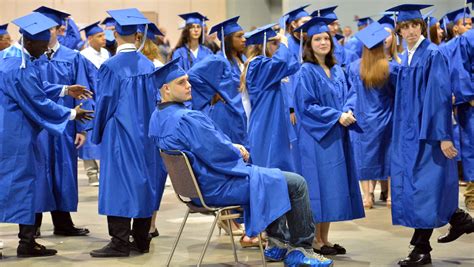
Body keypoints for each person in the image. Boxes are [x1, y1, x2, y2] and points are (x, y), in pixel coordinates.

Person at [148, 57, 333, 267]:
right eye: (181, 82)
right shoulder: (187, 118)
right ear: (166, 89)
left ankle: (278, 243)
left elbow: (208, 146)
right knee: (296, 183)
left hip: (195, 190)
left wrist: (230, 147)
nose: (189, 85)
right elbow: (217, 152)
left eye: (188, 80)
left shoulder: (158, 116)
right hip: (216, 187)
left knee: (270, 177)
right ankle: (301, 250)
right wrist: (236, 150)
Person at [385, 4, 474, 266]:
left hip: (429, 133)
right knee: (420, 186)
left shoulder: (432, 54)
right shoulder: (408, 56)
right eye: (405, 26)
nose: (410, 30)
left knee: (424, 187)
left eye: (415, 25)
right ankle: (459, 218)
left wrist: (443, 136)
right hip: (410, 133)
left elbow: (439, 98)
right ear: (399, 30)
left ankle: (421, 249)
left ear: (422, 26)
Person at [0, 12, 93, 257]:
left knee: (22, 185)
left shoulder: (13, 57)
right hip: (15, 135)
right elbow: (37, 99)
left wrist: (64, 89)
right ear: (29, 42)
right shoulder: (17, 66)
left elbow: (36, 85)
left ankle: (27, 240)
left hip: (11, 132)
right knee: (22, 184)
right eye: (42, 44)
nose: (45, 49)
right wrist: (72, 114)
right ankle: (27, 242)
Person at [89, 8, 166, 257]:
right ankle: (142, 240)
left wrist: (97, 132)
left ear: (115, 33)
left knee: (118, 185)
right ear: (137, 35)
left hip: (120, 134)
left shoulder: (110, 67)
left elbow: (105, 102)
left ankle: (120, 242)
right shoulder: (148, 64)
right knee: (144, 183)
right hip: (146, 135)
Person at [294, 16, 365, 256]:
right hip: (317, 139)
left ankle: (324, 238)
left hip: (336, 135)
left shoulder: (336, 69)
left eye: (326, 38)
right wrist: (336, 115)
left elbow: (352, 93)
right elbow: (306, 107)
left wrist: (349, 110)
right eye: (318, 39)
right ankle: (314, 240)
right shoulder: (306, 71)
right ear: (309, 44)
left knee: (333, 187)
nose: (323, 42)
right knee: (319, 188)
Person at [33, 5, 93, 238]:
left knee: (63, 172)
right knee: (38, 171)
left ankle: (63, 223)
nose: (44, 34)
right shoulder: (30, 58)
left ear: (58, 30)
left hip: (66, 125)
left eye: (48, 29)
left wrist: (81, 128)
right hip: (38, 125)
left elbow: (83, 93)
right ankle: (33, 223)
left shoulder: (72, 57)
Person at [347, 22, 397, 210]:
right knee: (389, 156)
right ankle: (391, 196)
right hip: (386, 118)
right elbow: (396, 95)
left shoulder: (354, 68)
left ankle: (367, 197)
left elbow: (351, 93)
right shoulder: (391, 69)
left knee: (364, 157)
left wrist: (348, 109)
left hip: (362, 119)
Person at [241, 24, 299, 172]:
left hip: (271, 122)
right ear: (262, 46)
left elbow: (292, 66)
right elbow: (283, 63)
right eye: (274, 43)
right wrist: (285, 44)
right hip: (265, 125)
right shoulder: (257, 65)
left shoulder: (262, 65)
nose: (277, 47)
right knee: (269, 169)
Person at [441, 5, 474, 211]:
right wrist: (470, 96)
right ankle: (472, 194)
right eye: (466, 23)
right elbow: (459, 71)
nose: (468, 26)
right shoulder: (462, 42)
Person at [207, 16, 248, 147]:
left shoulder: (243, 59)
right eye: (239, 36)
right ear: (228, 39)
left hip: (245, 108)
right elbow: (199, 80)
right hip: (227, 113)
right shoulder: (218, 59)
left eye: (244, 36)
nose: (244, 39)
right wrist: (214, 95)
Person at [281, 5, 312, 174]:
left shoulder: (308, 43)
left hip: (308, 101)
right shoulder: (287, 45)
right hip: (293, 105)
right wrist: (291, 106)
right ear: (294, 24)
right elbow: (286, 79)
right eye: (304, 21)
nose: (308, 24)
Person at [79, 21, 109, 187]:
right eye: (99, 36)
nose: (104, 38)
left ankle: (105, 171)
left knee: (105, 136)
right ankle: (92, 173)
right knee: (89, 135)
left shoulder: (106, 54)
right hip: (90, 100)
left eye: (103, 35)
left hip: (104, 101)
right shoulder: (83, 56)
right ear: (90, 38)